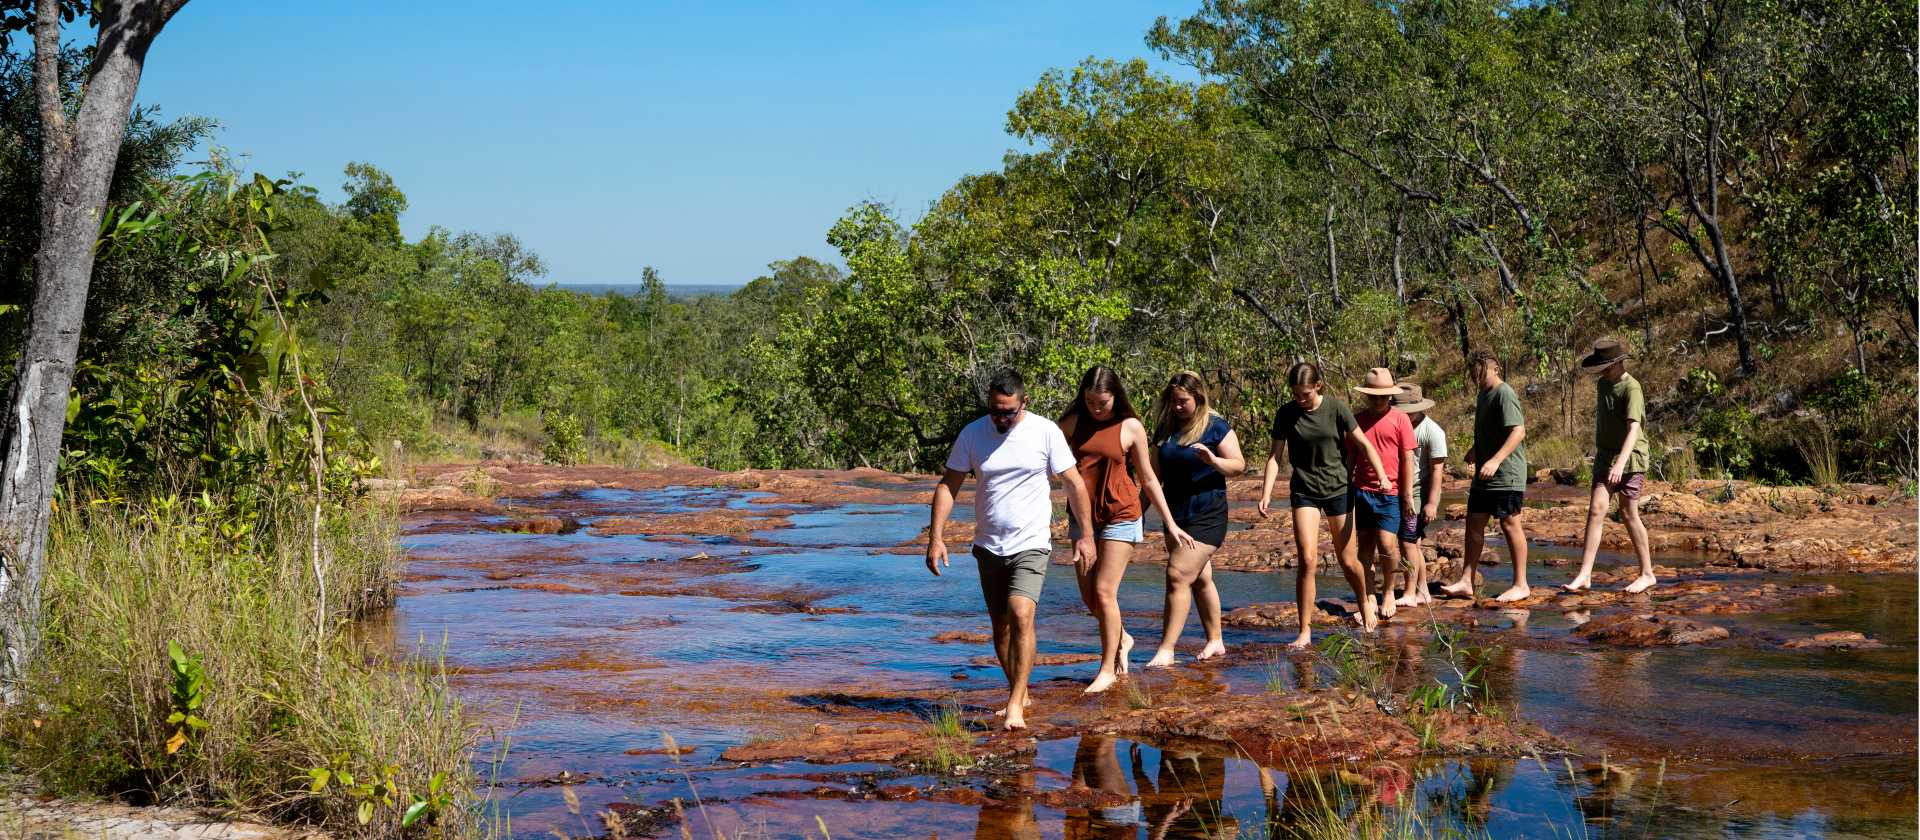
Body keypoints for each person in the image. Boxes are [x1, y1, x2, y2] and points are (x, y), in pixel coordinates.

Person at [927, 367, 1097, 731]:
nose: (1001, 417)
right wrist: (936, 537)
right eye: (995, 410)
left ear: (1025, 403)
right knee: (1001, 627)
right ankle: (1019, 691)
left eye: (1008, 411)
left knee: (1021, 614)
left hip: (1031, 542)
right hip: (988, 544)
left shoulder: (1045, 431)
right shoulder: (972, 434)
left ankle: (1015, 705)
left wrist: (1085, 536)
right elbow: (948, 485)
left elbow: (1073, 483)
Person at [1059, 366, 1196, 693]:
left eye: (1102, 402)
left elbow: (1148, 478)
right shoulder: (1071, 423)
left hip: (1121, 514)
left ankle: (1107, 669)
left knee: (1105, 592)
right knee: (1091, 598)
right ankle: (1122, 637)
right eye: (1090, 401)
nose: (1096, 408)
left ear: (1115, 397)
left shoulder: (1130, 426)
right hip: (1082, 517)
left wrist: (1171, 522)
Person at [1258, 361, 1388, 647]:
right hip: (1304, 490)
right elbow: (1274, 457)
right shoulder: (1287, 414)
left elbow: (1365, 445)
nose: (1300, 399)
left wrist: (1381, 476)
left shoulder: (1336, 408)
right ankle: (1304, 631)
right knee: (1307, 559)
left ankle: (1365, 601)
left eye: (1304, 393)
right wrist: (1266, 493)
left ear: (1318, 386)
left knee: (1347, 560)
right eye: (1295, 394)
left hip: (1338, 489)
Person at [1143, 371, 1246, 668]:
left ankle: (1167, 649)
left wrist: (1213, 461)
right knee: (1201, 578)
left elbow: (1239, 465)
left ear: (1198, 398)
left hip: (1208, 514)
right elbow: (1152, 477)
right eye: (1173, 401)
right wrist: (1136, 513)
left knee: (1177, 574)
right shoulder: (1164, 428)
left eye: (1183, 401)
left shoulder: (1215, 427)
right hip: (1175, 515)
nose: (1177, 406)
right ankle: (1216, 640)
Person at [1564, 338, 1657, 594]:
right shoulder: (1603, 385)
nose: (1602, 371)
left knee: (1628, 513)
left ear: (1618, 362)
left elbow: (1633, 429)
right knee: (1596, 510)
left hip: (1632, 456)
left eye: (1606, 366)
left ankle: (1647, 573)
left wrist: (1621, 463)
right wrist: (1609, 460)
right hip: (1606, 457)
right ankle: (1584, 575)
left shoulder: (1632, 388)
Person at [1439, 351, 1531, 602]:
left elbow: (1518, 431)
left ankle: (1521, 584)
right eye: (1473, 374)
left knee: (1509, 524)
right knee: (1474, 522)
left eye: (1481, 373)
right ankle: (1467, 580)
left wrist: (1495, 459)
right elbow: (1489, 429)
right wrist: (1474, 449)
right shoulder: (1483, 395)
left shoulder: (1504, 393)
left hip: (1507, 474)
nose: (1476, 378)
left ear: (1495, 368)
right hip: (1485, 473)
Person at [1349, 368, 1417, 620]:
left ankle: (1388, 591)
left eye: (1384, 397)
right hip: (1362, 491)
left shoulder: (1401, 420)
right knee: (1364, 549)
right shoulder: (1357, 420)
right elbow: (1351, 456)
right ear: (1367, 396)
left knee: (1388, 546)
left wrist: (1407, 495)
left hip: (1390, 493)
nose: (1379, 401)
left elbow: (1407, 457)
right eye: (1374, 397)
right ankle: (1368, 596)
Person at [1391, 381, 1447, 608]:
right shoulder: (1394, 423)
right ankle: (1422, 589)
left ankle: (1410, 591)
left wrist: (1432, 503)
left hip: (1416, 492)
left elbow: (1437, 470)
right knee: (1413, 543)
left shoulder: (1432, 431)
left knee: (1407, 542)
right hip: (1394, 489)